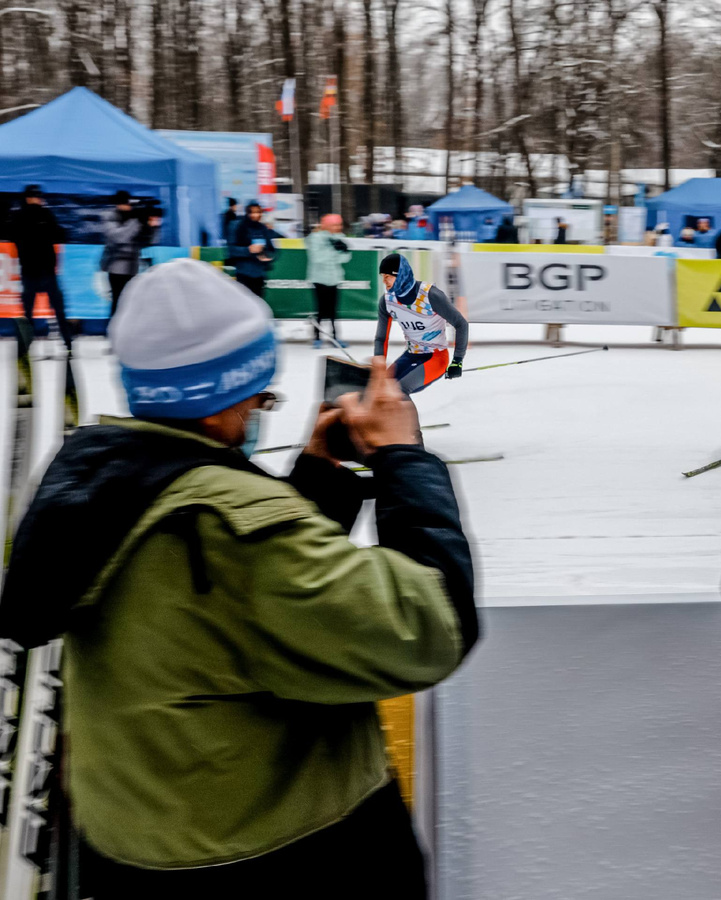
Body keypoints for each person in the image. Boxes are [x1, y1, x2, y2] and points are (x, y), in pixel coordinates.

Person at [0, 257, 478, 898]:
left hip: (138, 850)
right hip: (282, 858)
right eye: (261, 397)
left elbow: (244, 610)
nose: (261, 412)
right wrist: (403, 459)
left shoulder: (107, 485)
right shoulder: (230, 527)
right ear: (225, 397)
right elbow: (427, 625)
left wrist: (317, 476)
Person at [375, 253, 469, 394]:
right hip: (411, 354)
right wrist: (379, 363)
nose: (384, 281)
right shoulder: (387, 301)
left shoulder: (430, 295)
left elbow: (461, 324)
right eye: (382, 276)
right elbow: (381, 338)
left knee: (399, 391)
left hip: (436, 357)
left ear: (400, 275)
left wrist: (457, 361)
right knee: (381, 389)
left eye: (388, 276)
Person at [9, 184, 72, 350]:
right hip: (45, 270)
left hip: (30, 270)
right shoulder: (45, 214)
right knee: (58, 309)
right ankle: (68, 342)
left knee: (29, 311)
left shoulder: (19, 216)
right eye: (38, 196)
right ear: (32, 197)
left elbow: (13, 237)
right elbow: (60, 235)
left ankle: (24, 346)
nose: (39, 199)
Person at [101, 191, 162, 315]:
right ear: (119, 204)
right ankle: (115, 331)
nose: (129, 207)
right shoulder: (110, 216)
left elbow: (147, 241)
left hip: (132, 266)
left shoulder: (132, 217)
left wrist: (152, 226)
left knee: (131, 302)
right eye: (126, 203)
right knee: (118, 301)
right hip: (116, 266)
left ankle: (127, 331)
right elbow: (119, 237)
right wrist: (136, 221)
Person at [306, 213, 353, 349]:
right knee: (320, 308)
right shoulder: (315, 238)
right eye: (334, 225)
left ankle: (335, 336)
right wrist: (334, 251)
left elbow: (345, 258)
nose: (337, 228)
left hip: (334, 278)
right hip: (319, 278)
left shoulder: (340, 237)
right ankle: (317, 336)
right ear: (326, 225)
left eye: (339, 225)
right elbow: (317, 258)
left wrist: (341, 250)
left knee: (333, 309)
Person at [226, 200, 276, 297]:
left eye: (258, 212)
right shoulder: (237, 227)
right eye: (252, 212)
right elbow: (231, 250)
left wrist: (267, 257)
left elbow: (272, 250)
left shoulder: (263, 229)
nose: (255, 215)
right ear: (247, 212)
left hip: (259, 275)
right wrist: (248, 250)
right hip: (243, 274)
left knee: (258, 305)